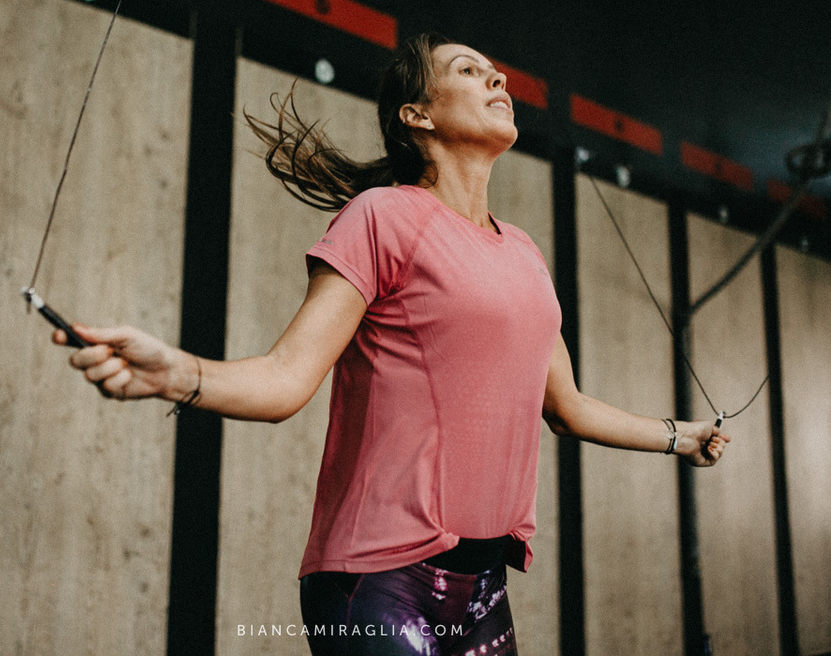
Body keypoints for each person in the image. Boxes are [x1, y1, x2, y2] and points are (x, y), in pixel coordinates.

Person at [54, 32, 730, 655]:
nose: (498, 80)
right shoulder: (381, 216)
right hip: (375, 580)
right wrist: (177, 373)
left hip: (483, 587)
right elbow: (286, 379)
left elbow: (568, 407)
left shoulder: (525, 252)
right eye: (470, 71)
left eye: (497, 74)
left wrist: (681, 437)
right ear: (418, 115)